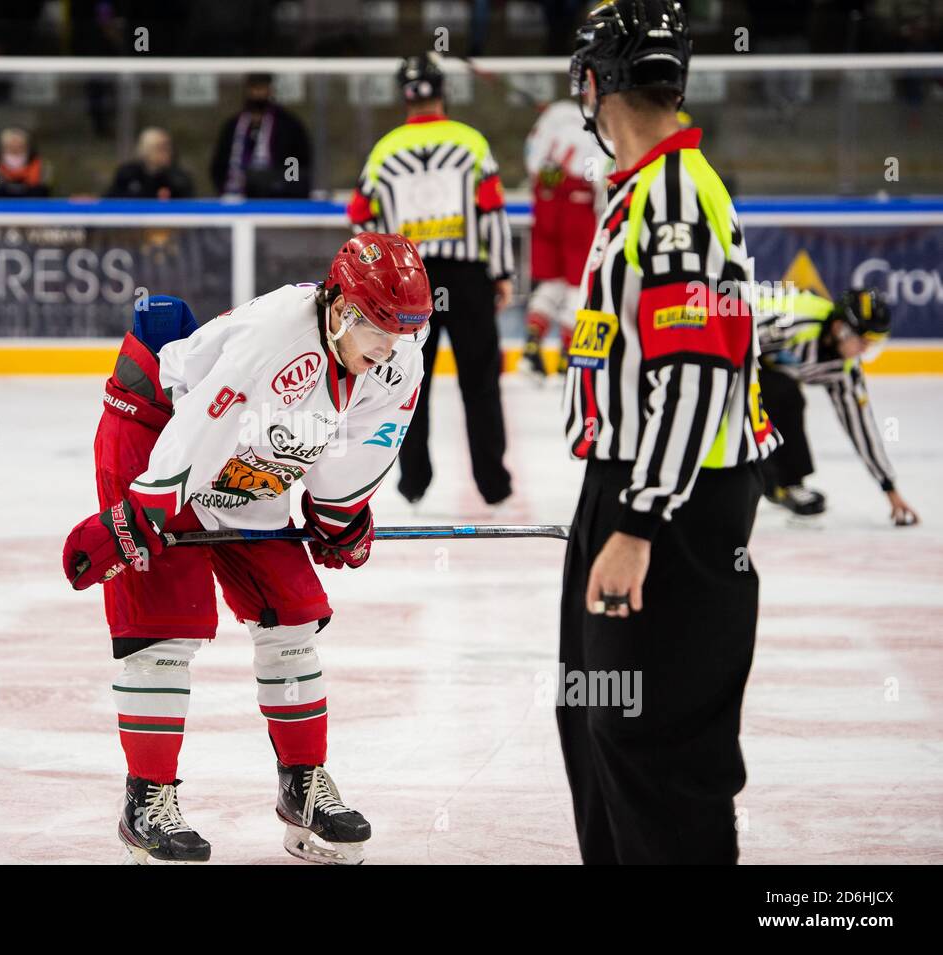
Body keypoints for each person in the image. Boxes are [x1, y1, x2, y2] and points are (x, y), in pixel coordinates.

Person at [61, 233, 432, 865]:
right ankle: (146, 802)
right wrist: (137, 518)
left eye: (405, 332)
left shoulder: (397, 354)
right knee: (164, 627)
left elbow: (361, 444)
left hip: (253, 453)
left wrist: (341, 516)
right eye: (379, 330)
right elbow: (203, 424)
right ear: (341, 308)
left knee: (290, 617)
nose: (392, 348)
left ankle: (303, 789)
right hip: (158, 430)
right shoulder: (275, 338)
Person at [558, 0, 781, 865]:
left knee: (656, 740)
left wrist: (638, 523)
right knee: (594, 713)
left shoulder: (677, 198)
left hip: (672, 509)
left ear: (593, 83)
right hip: (628, 487)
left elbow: (693, 370)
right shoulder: (646, 190)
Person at [347, 52, 515, 507]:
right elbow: (492, 213)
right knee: (480, 381)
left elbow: (359, 215)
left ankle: (413, 481)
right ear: (444, 92)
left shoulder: (386, 150)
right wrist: (501, 273)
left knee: (406, 380)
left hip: (407, 282)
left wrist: (372, 284)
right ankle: (493, 483)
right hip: (467, 280)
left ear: (404, 96)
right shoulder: (471, 143)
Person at [755, 286, 919, 524]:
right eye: (863, 340)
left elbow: (860, 425)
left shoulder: (844, 370)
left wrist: (889, 487)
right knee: (783, 393)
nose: (865, 349)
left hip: (766, 372)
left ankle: (784, 483)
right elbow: (735, 336)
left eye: (873, 342)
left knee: (784, 393)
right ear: (839, 328)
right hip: (734, 351)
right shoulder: (795, 324)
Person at [522, 98, 609, 377]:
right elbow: (601, 176)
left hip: (545, 204)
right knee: (578, 284)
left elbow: (532, 158)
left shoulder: (554, 116)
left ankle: (532, 346)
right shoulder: (602, 126)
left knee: (551, 281)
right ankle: (566, 354)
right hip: (578, 207)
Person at [209, 73, 313, 199]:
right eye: (254, 88)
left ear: (270, 90)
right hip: (234, 195)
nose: (257, 93)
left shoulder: (288, 126)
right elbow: (219, 164)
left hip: (275, 199)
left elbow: (297, 162)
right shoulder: (233, 125)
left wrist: (288, 187)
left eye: (262, 88)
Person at [105, 127, 196, 199]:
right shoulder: (127, 173)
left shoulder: (178, 178)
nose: (168, 152)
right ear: (146, 149)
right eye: (161, 147)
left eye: (168, 147)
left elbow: (187, 206)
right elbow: (111, 199)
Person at [0, 127, 51, 199]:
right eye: (11, 143)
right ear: (3, 145)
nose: (15, 145)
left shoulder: (41, 165)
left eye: (19, 143)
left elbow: (43, 189)